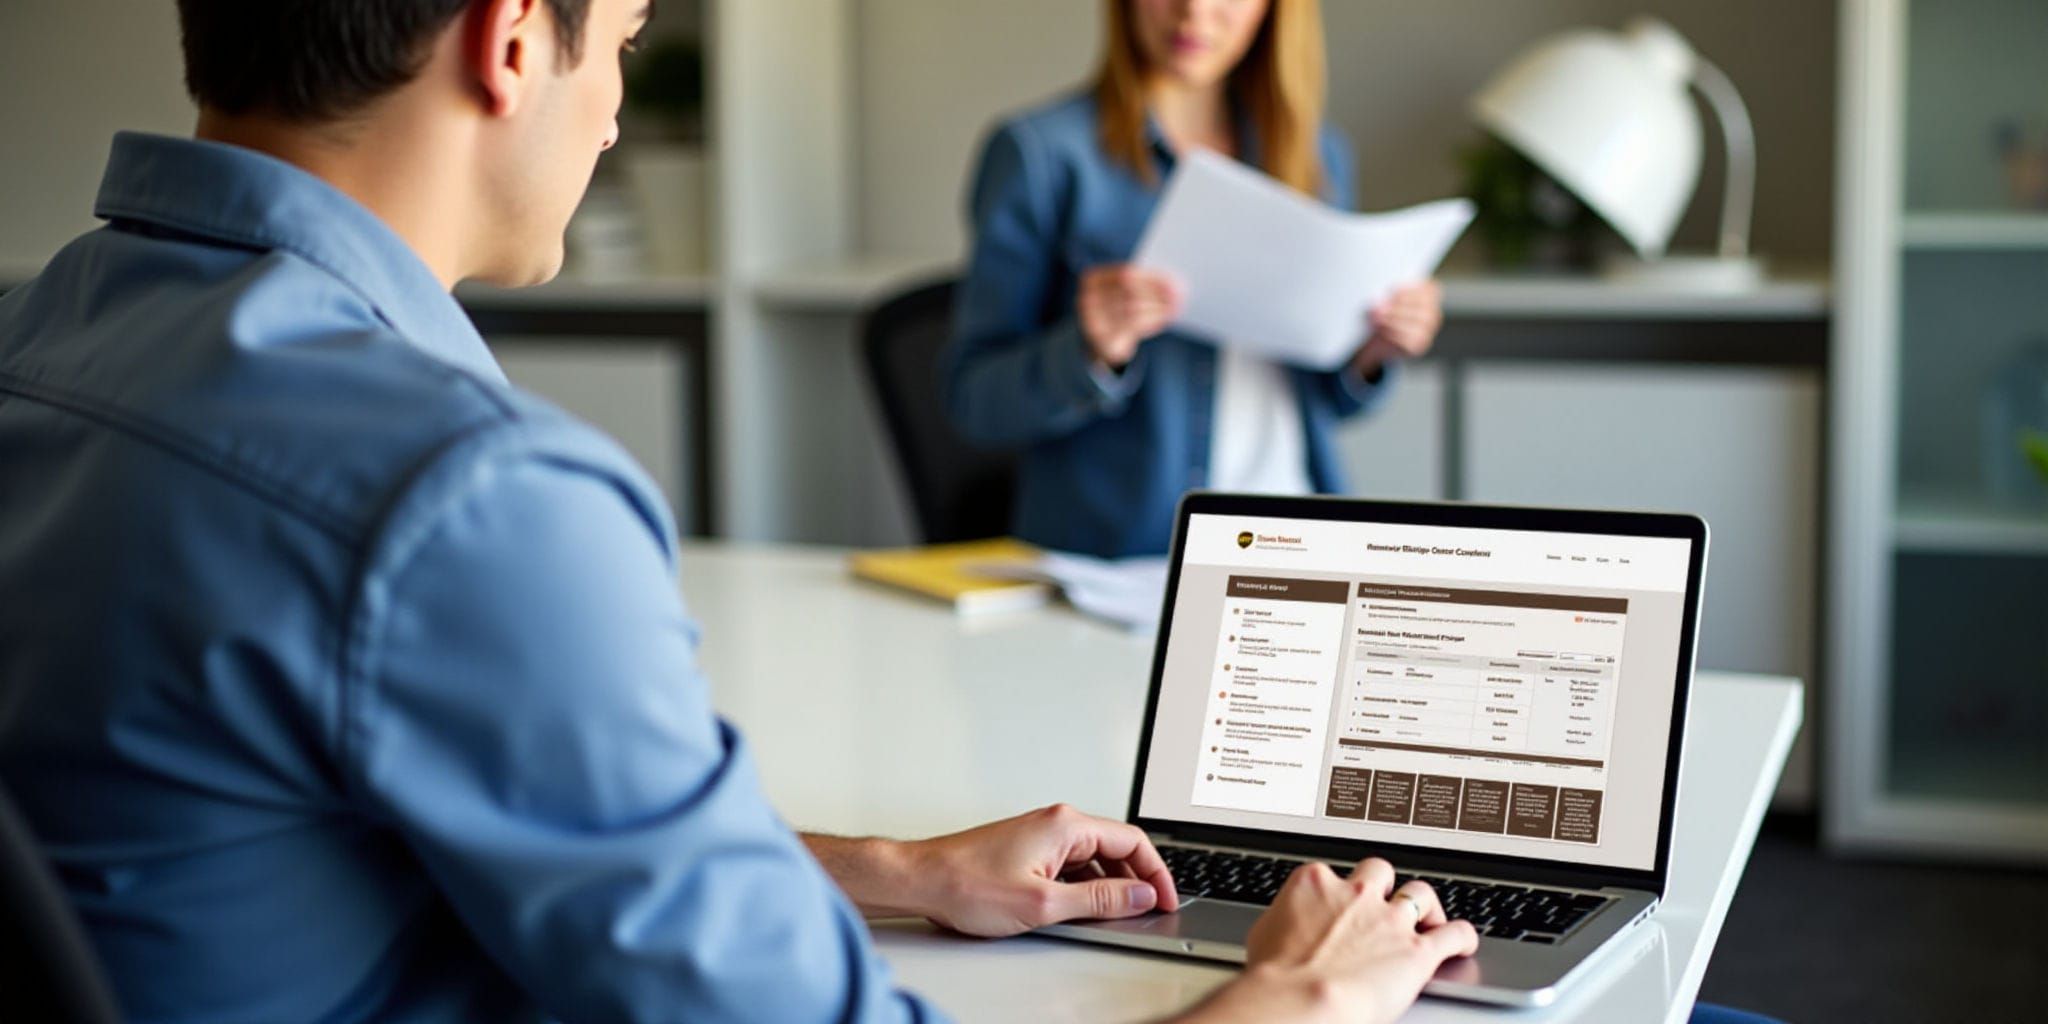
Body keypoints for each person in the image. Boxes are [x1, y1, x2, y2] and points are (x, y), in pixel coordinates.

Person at [0, 0, 1478, 1021]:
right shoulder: (470, 502)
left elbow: (346, 818)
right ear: (513, 42)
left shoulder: (42, 336)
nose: (621, 101)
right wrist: (1288, 995)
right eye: (629, 44)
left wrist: (891, 871)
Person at [944, 0, 1443, 558]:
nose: (1195, 12)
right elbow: (973, 400)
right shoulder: (1043, 155)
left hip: (1298, 543)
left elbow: (1331, 402)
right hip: (1129, 561)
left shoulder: (1318, 156)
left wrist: (1370, 352)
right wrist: (1089, 353)